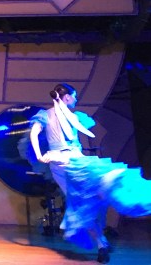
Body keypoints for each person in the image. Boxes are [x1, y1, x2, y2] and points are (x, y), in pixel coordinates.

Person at [30, 83, 151, 263]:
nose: (76, 99)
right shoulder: (59, 116)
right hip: (69, 163)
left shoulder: (60, 116)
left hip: (69, 162)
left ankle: (102, 242)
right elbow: (35, 133)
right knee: (93, 198)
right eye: (74, 96)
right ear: (67, 97)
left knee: (92, 201)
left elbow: (34, 133)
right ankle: (102, 242)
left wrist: (41, 155)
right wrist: (40, 155)